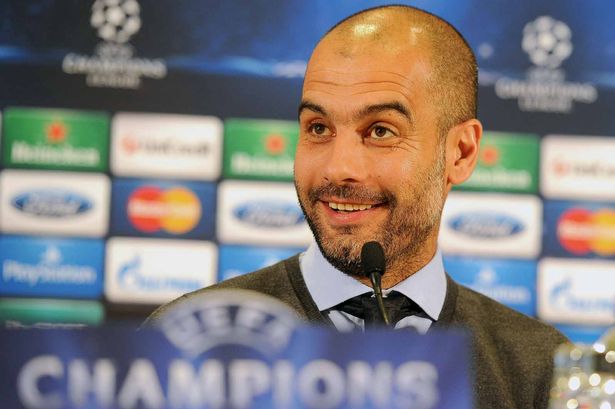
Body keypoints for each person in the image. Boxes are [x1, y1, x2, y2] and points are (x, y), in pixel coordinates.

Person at [148, 5, 567, 408]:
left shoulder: (542, 370)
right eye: (318, 128)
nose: (338, 168)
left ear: (460, 152)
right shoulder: (185, 341)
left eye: (380, 131)